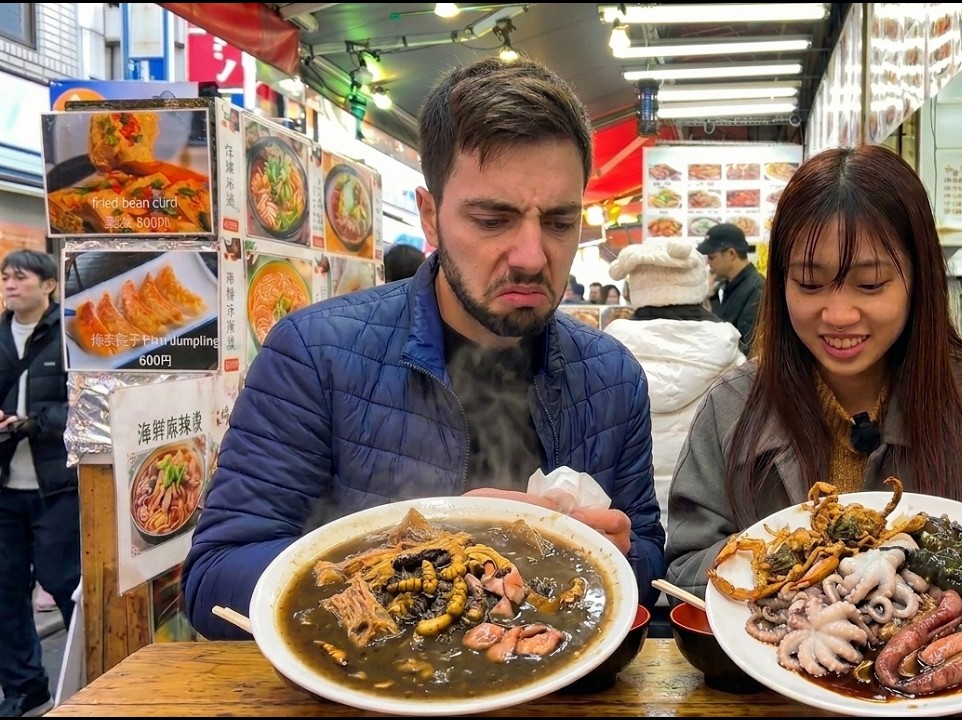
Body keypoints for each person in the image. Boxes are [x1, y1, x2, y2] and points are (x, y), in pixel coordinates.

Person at [184, 56, 666, 641]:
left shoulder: (612, 376)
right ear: (431, 217)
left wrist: (610, 558)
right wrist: (436, 550)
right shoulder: (314, 355)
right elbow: (214, 582)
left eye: (561, 222)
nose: (533, 256)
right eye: (493, 219)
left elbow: (646, 564)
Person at [664, 146, 962, 622]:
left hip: (947, 687)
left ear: (918, 279)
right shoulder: (732, 407)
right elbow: (681, 574)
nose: (839, 315)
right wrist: (816, 576)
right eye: (808, 283)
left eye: (870, 285)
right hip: (766, 692)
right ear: (780, 285)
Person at [603, 238, 745, 531]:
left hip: (624, 523)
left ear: (636, 291)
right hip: (708, 522)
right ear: (696, 287)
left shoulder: (603, 357)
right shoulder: (731, 356)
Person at [0, 249, 77, 718]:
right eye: (5, 277)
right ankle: (25, 690)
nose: (10, 284)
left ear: (48, 285)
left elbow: (89, 401)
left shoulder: (71, 333)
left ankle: (88, 679)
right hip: (5, 486)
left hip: (57, 488)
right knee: (5, 590)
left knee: (64, 582)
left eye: (21, 277)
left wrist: (36, 423)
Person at [698, 223, 763, 355]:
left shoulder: (757, 289)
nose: (709, 264)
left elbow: (747, 346)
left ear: (731, 254)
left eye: (712, 258)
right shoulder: (728, 285)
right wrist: (711, 297)